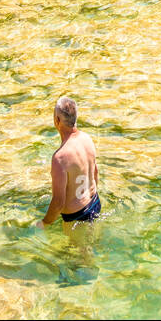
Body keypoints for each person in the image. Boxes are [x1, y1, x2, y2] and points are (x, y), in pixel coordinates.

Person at [39, 97, 100, 227]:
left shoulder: (60, 158)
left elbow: (59, 203)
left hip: (76, 218)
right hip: (95, 203)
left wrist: (44, 223)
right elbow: (95, 173)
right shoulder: (87, 139)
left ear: (57, 120)